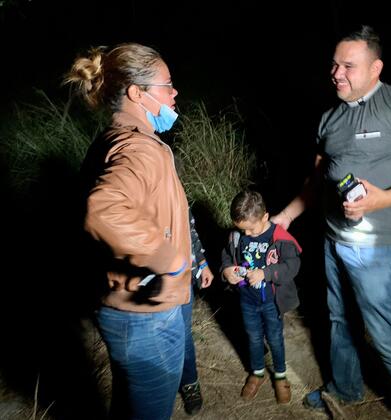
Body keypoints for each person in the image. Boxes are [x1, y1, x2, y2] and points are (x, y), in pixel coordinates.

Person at [271, 25, 391, 419]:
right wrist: (281, 219)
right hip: (335, 239)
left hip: (380, 247)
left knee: (385, 332)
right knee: (339, 319)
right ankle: (345, 389)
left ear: (375, 68)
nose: (336, 73)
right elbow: (315, 183)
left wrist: (383, 198)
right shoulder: (329, 119)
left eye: (348, 65)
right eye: (334, 64)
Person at [65, 42, 195, 419]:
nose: (175, 92)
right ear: (137, 93)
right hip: (147, 318)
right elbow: (103, 210)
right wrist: (169, 259)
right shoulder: (139, 149)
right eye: (167, 84)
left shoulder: (114, 136)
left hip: (120, 309)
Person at [221, 190, 302, 405]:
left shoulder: (279, 238)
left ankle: (280, 375)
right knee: (253, 337)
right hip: (247, 300)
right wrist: (226, 270)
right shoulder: (237, 235)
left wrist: (265, 273)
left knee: (275, 339)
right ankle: (257, 372)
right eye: (242, 228)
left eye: (251, 228)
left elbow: (292, 266)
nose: (247, 233)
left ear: (265, 217)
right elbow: (227, 256)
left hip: (271, 302)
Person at [180, 207, 214, 415]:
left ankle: (189, 383)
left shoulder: (176, 190)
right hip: (149, 282)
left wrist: (202, 264)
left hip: (182, 278)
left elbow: (190, 231)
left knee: (183, 333)